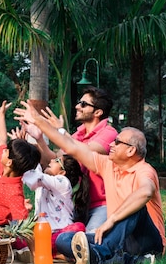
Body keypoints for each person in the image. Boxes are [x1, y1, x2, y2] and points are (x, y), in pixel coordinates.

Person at [14, 100, 166, 264]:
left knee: (135, 207)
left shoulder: (144, 170)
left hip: (145, 241)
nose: (110, 145)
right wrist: (38, 121)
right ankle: (128, 260)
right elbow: (70, 146)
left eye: (117, 143)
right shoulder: (107, 164)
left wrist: (112, 219)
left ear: (131, 151)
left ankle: (100, 255)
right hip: (117, 239)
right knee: (64, 239)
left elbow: (145, 192)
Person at [31, 87, 116, 232]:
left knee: (88, 243)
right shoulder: (77, 135)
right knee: (61, 239)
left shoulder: (109, 133)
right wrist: (40, 139)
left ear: (98, 112)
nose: (77, 106)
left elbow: (83, 151)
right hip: (78, 203)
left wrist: (60, 131)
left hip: (102, 204)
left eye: (83, 104)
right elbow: (57, 160)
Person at [0, 101, 41, 226]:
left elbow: (24, 223)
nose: (3, 149)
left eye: (6, 150)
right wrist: (1, 116)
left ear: (10, 162)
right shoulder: (3, 163)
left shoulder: (14, 192)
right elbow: (1, 140)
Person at [22, 154, 90, 254]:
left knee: (78, 227)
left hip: (60, 235)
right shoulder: (42, 185)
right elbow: (34, 170)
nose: (52, 160)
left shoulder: (63, 182)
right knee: (16, 239)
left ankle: (50, 251)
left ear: (62, 172)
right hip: (42, 234)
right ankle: (56, 254)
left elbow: (35, 176)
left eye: (57, 160)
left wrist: (22, 156)